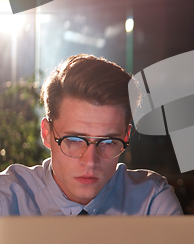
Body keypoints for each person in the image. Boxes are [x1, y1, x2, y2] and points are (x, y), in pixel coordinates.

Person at [0, 54, 183, 216]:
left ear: (126, 137)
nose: (90, 161)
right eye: (73, 140)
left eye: (109, 141)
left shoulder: (151, 203)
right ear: (46, 133)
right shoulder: (7, 199)